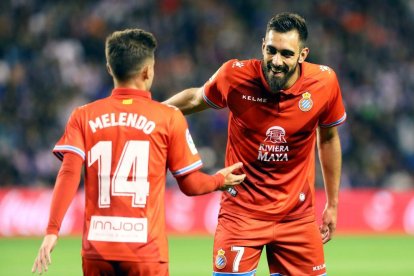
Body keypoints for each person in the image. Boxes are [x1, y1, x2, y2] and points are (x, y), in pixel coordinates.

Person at [31, 28, 246, 276]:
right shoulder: (168, 117)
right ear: (147, 71)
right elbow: (191, 185)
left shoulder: (83, 115)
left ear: (110, 69)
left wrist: (52, 230)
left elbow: (68, 174)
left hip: (97, 252)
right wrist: (220, 179)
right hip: (146, 253)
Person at [164, 12, 346, 276]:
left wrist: (333, 203)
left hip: (297, 216)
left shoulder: (324, 83)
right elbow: (194, 99)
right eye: (271, 50)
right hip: (241, 214)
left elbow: (328, 138)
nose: (276, 61)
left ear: (303, 55)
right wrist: (149, 111)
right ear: (262, 45)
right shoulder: (234, 76)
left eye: (286, 54)